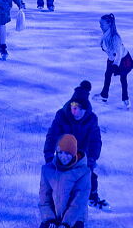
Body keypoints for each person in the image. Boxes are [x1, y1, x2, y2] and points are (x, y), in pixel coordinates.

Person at [45, 80, 107, 208]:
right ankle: (54, 197)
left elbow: (95, 141)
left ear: (86, 110)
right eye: (73, 109)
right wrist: (49, 155)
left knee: (87, 174)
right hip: (64, 152)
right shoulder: (62, 115)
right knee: (59, 174)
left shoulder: (91, 120)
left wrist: (91, 159)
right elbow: (52, 135)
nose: (76, 113)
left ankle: (91, 195)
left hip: (81, 153)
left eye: (80, 110)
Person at [96, 14, 133, 111]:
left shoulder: (115, 37)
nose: (100, 25)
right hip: (112, 59)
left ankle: (125, 99)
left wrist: (116, 65)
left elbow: (119, 53)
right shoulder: (105, 35)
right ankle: (104, 96)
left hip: (123, 59)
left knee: (123, 78)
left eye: (102, 24)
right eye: (100, 23)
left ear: (109, 24)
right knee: (107, 76)